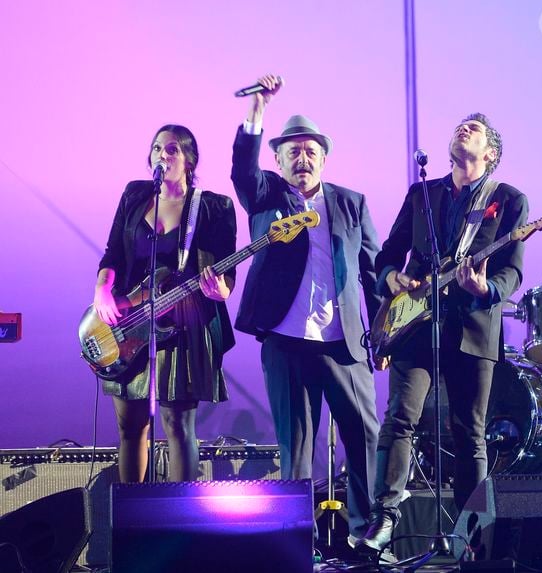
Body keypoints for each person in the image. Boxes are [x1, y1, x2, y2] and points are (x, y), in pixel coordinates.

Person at [357, 113, 529, 554]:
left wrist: (484, 288)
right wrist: (392, 277)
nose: (464, 128)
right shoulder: (423, 193)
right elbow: (388, 255)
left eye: (475, 129)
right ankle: (386, 520)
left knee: (469, 430)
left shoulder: (508, 200)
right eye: (461, 126)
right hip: (415, 324)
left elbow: (511, 271)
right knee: (400, 417)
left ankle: (470, 534)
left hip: (472, 327)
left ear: (490, 154)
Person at [231, 74, 387, 544]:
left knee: (364, 438)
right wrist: (258, 110)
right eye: (293, 151)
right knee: (296, 449)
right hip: (287, 340)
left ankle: (364, 538)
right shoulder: (267, 197)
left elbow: (374, 271)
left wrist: (385, 335)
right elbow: (242, 170)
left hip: (346, 343)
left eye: (310, 150)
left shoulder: (351, 203)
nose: (303, 158)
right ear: (279, 160)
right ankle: (295, 542)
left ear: (324, 157)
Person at [93, 124, 237, 483]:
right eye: (157, 148)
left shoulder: (214, 208)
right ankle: (130, 515)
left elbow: (227, 275)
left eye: (172, 149)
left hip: (182, 324)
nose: (163, 155)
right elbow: (113, 252)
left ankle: (180, 516)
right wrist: (102, 287)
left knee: (177, 423)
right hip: (129, 321)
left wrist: (221, 290)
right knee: (131, 424)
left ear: (189, 159)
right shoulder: (135, 195)